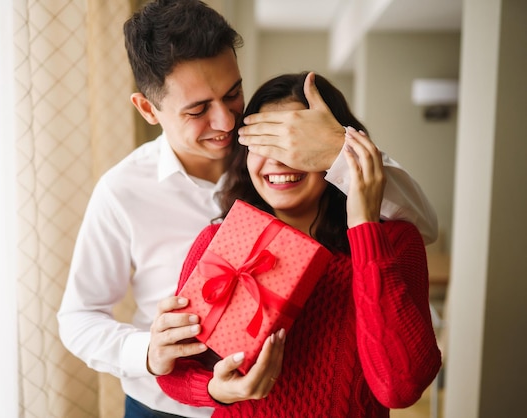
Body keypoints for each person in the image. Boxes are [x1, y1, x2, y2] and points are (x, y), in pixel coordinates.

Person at [57, 1, 438, 417]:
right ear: (149, 109)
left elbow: (420, 226)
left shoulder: (285, 148)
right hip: (167, 405)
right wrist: (150, 350)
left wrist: (337, 152)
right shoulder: (122, 190)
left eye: (233, 94)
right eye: (198, 110)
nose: (225, 121)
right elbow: (79, 317)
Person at [156, 72, 443, 417]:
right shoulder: (218, 241)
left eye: (296, 145)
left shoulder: (394, 242)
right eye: (264, 143)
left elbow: (400, 388)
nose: (278, 160)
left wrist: (364, 224)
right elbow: (175, 367)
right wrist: (215, 390)